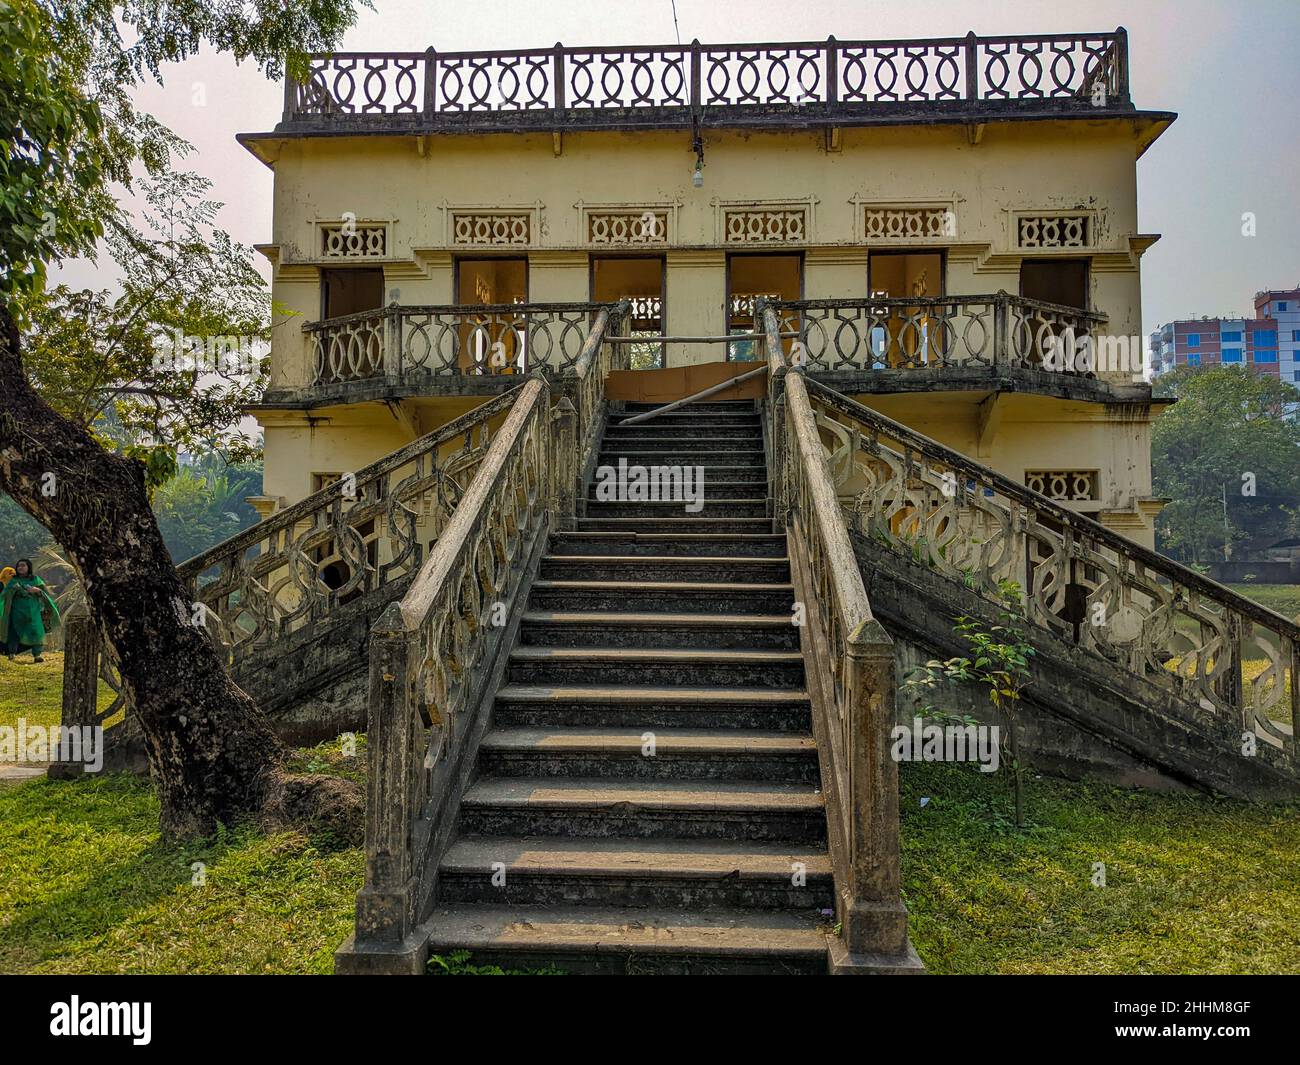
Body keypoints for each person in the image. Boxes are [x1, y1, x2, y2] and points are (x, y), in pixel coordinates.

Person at [0, 559, 60, 663]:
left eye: (23, 565)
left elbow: (45, 594)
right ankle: (12, 653)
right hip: (17, 612)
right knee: (14, 632)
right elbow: (4, 595)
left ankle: (37, 655)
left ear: (29, 567)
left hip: (34, 612)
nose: (20, 568)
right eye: (18, 566)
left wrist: (38, 591)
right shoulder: (13, 581)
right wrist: (14, 590)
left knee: (36, 631)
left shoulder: (36, 580)